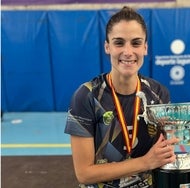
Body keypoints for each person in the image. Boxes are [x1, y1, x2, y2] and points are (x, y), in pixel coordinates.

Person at [64, 6, 179, 188]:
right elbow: (84, 174)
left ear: (145, 48)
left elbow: (165, 154)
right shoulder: (87, 97)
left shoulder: (158, 94)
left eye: (135, 43)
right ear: (107, 47)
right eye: (119, 43)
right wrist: (145, 162)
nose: (128, 51)